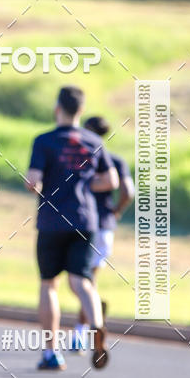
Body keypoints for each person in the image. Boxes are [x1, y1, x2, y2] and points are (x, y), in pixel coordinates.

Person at [26, 86, 118, 371]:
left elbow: (33, 181)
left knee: (49, 284)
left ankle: (51, 353)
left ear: (57, 109)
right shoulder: (94, 141)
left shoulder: (44, 141)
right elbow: (111, 181)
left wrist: (40, 186)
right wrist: (85, 185)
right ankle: (97, 326)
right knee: (81, 281)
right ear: (81, 110)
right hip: (85, 219)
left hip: (52, 221)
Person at [72, 115, 134, 349]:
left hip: (84, 225)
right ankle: (90, 321)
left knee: (81, 281)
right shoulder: (115, 161)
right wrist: (116, 211)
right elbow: (128, 191)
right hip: (106, 227)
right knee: (89, 280)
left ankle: (81, 333)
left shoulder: (80, 161)